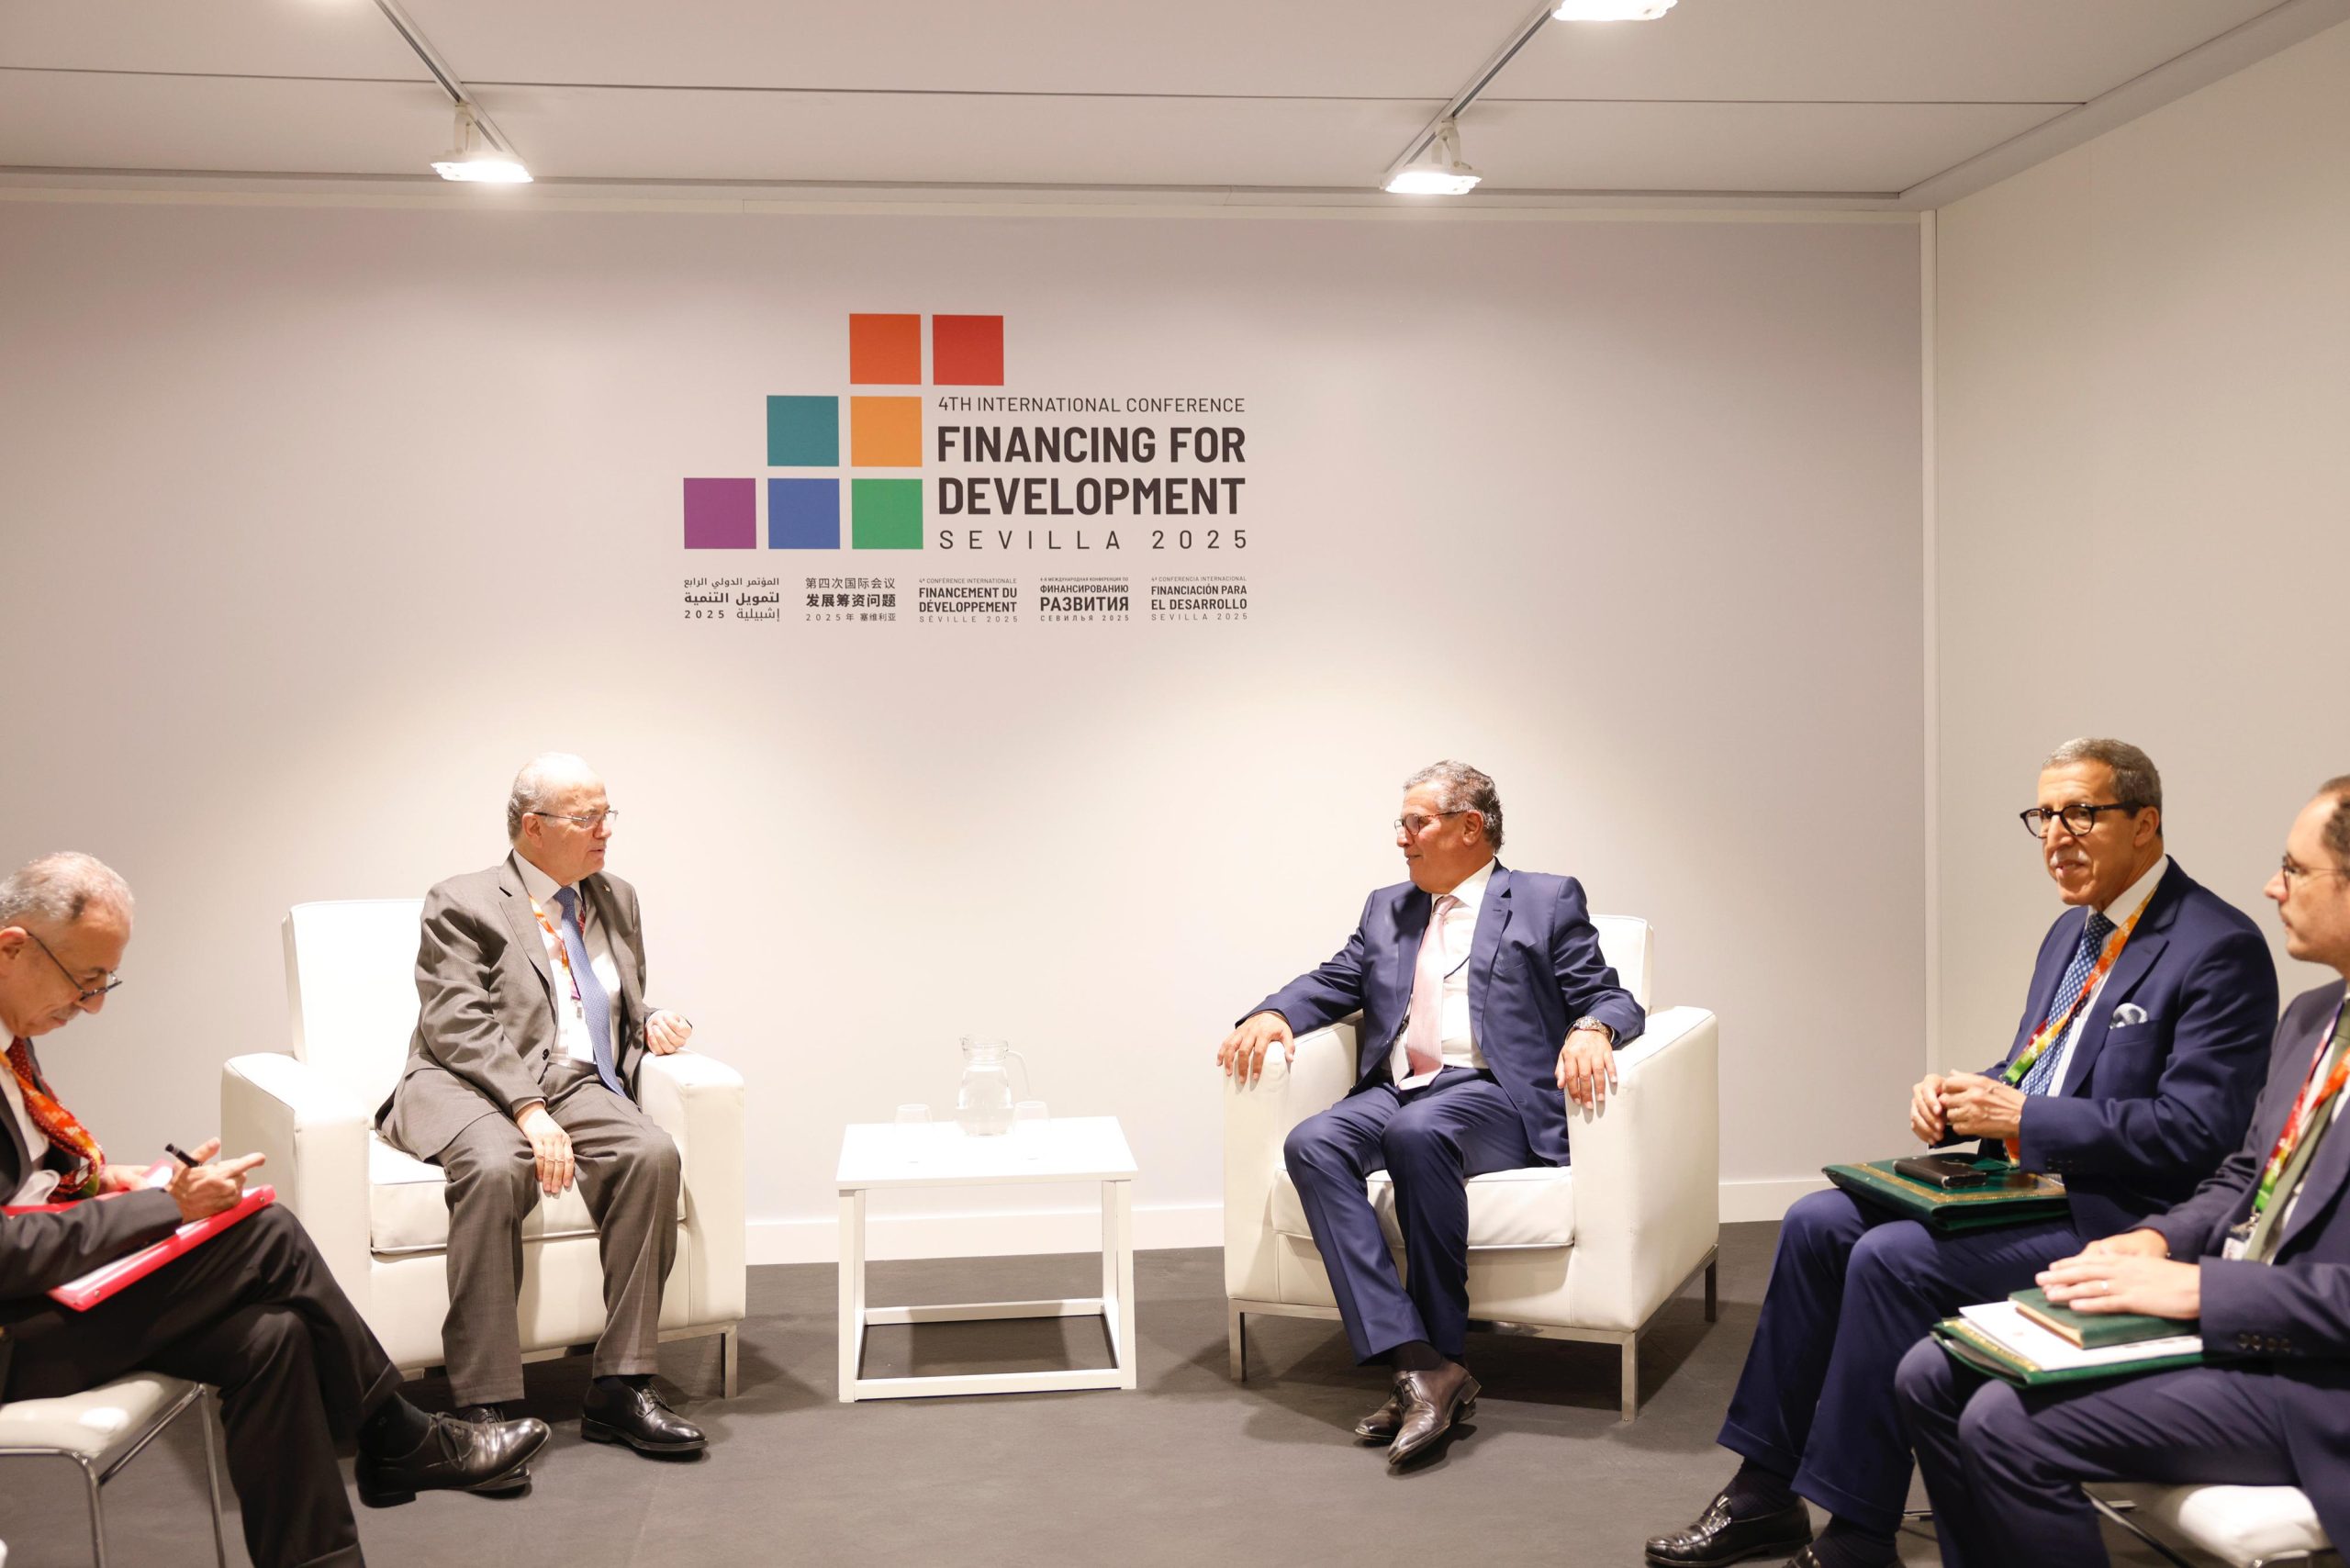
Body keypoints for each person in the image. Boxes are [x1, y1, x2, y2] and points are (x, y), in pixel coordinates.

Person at [1649, 738, 2277, 1568]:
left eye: (2081, 814)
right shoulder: (2071, 933)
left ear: (2145, 823)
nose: (2057, 836)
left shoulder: (2217, 945)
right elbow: (2037, 1066)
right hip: (2026, 1184)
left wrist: (2025, 1115)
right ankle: (1765, 1490)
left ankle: (1859, 1535)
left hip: (2122, 1216)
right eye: (2045, 816)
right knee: (1813, 1222)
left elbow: (2199, 1132)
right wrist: (1962, 1098)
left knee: (1889, 1259)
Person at [1, 852, 546, 1568]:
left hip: (46, 1306)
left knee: (273, 1337)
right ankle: (396, 1434)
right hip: (13, 1335)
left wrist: (107, 1181)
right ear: (13, 948)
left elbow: (24, 1184)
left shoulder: (13, 1039)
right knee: (265, 1235)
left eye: (106, 982)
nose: (94, 1003)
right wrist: (166, 1206)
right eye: (85, 979)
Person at [1897, 776, 2350, 1567]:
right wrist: (2158, 1240)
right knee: (1932, 1371)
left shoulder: (2222, 950)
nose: (2273, 886)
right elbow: (2247, 1176)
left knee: (2003, 1422)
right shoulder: (2314, 1018)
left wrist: (2204, 1290)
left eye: (2295, 868)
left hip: (2316, 1378)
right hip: (2234, 1317)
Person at [1218, 760, 1644, 1465]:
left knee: (1417, 1134)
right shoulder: (1387, 907)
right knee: (1312, 1144)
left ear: (1469, 827)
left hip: (1494, 1095)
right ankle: (1422, 1363)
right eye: (1402, 823)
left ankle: (1437, 1358)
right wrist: (1274, 1012)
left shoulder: (1544, 900)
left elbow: (1610, 995)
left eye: (1416, 823)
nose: (1401, 838)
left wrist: (1593, 1029)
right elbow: (1336, 979)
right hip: (1398, 1086)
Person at [379, 754, 705, 1461]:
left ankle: (620, 1386)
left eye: (607, 814)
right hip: (464, 1080)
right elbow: (457, 1022)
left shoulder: (615, 897)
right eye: (588, 818)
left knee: (652, 1154)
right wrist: (528, 1110)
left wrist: (648, 1020)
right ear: (534, 826)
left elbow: (599, 994)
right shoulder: (462, 901)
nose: (605, 830)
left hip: (574, 1080)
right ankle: (483, 1406)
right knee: (497, 1168)